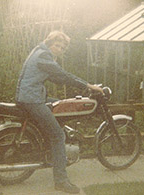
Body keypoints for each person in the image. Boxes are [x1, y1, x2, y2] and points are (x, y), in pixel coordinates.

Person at [15, 31, 103, 194]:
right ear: (49, 43)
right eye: (57, 45)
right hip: (32, 100)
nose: (59, 49)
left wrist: (75, 84)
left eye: (62, 48)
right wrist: (88, 86)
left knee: (61, 105)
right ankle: (61, 181)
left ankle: (54, 153)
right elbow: (63, 75)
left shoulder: (39, 52)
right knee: (58, 135)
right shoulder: (44, 56)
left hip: (32, 97)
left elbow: (56, 78)